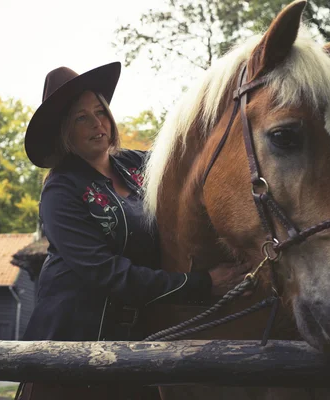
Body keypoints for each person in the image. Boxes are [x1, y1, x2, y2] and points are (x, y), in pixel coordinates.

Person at [16, 62, 249, 400]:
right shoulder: (60, 191)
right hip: (71, 345)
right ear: (64, 130)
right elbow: (107, 273)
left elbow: (194, 171)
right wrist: (203, 284)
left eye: (100, 111)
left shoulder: (138, 165)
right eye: (82, 117)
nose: (98, 123)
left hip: (138, 339)